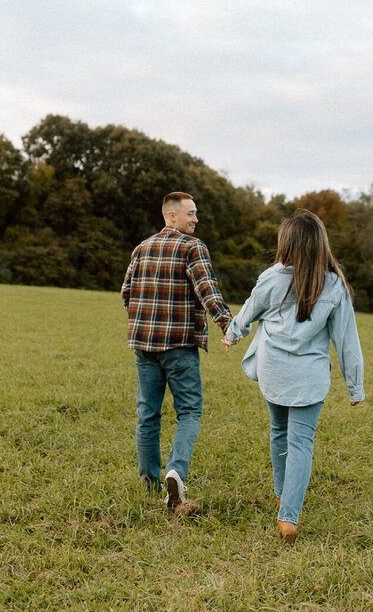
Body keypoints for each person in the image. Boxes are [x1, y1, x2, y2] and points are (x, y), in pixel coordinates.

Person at [223, 209, 364, 544]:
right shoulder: (334, 285)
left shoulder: (270, 278)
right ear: (320, 246)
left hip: (273, 371)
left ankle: (280, 495)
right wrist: (355, 385)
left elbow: (247, 310)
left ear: (286, 245)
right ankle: (288, 517)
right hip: (309, 378)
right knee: (301, 442)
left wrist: (233, 332)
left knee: (278, 433)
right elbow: (347, 340)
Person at [121, 191, 234, 511]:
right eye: (190, 213)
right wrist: (229, 325)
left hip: (143, 345)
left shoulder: (142, 247)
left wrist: (143, 321)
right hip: (179, 347)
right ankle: (176, 472)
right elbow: (208, 291)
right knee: (189, 413)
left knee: (148, 415)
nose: (195, 219)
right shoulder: (192, 247)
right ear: (171, 215)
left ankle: (148, 486)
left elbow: (126, 292)